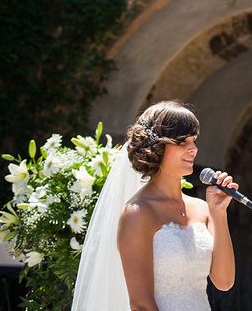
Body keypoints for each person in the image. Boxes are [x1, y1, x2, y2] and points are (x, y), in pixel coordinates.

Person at [72, 101, 237, 311]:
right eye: (182, 141)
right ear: (157, 146)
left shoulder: (203, 208)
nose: (194, 149)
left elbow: (224, 282)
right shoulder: (137, 213)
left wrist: (218, 213)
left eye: (194, 140)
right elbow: (141, 304)